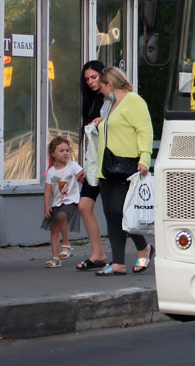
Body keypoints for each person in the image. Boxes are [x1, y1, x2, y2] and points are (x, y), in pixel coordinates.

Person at [94, 66, 154, 276]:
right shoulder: (112, 104)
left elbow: (144, 130)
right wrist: (100, 124)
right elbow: (117, 127)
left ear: (109, 84)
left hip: (126, 166)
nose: (101, 92)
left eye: (101, 87)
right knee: (111, 214)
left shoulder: (133, 101)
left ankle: (143, 248)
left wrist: (144, 157)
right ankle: (118, 262)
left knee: (120, 211)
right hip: (106, 168)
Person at [75, 60, 109, 270]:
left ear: (103, 75)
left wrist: (102, 122)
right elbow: (89, 139)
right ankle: (98, 253)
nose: (90, 82)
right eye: (87, 79)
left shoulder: (110, 98)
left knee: (117, 210)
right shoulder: (89, 101)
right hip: (94, 163)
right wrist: (84, 166)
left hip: (110, 161)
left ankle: (143, 248)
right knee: (84, 206)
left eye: (93, 77)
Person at [42, 135, 84, 266]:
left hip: (71, 201)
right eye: (61, 151)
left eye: (67, 150)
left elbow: (82, 176)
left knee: (61, 217)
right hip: (57, 203)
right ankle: (55, 258)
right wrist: (47, 206)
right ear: (53, 154)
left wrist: (83, 177)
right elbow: (48, 191)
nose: (65, 153)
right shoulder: (51, 172)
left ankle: (66, 245)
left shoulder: (73, 166)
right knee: (54, 229)